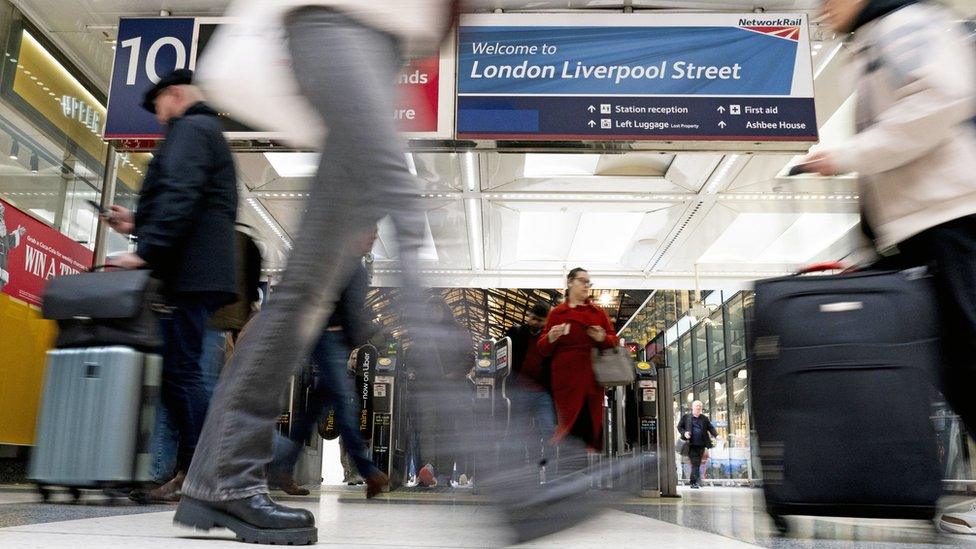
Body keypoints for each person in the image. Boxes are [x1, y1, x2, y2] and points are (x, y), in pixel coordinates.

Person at [795, 0, 976, 531]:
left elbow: (941, 97)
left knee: (969, 353)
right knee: (955, 364)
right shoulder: (876, 39)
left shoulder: (907, 24)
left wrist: (845, 155)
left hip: (955, 216)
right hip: (925, 228)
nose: (823, 6)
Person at [105, 68, 238, 503]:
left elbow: (180, 194)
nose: (160, 119)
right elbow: (190, 200)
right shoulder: (204, 130)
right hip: (196, 271)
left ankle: (199, 473)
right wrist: (136, 223)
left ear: (175, 95)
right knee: (180, 374)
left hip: (190, 273)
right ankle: (193, 470)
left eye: (160, 108)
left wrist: (148, 251)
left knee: (181, 375)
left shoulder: (191, 128)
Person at [266, 228, 388, 498]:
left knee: (312, 412)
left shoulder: (356, 266)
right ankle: (368, 471)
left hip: (339, 342)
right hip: (326, 337)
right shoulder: (338, 261)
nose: (373, 237)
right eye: (369, 230)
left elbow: (352, 311)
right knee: (345, 404)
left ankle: (282, 468)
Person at [537, 268, 619, 459]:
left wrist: (602, 337)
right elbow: (542, 348)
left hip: (591, 381)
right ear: (570, 282)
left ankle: (576, 481)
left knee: (585, 431)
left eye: (588, 282)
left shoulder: (598, 313)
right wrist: (551, 336)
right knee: (567, 430)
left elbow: (613, 341)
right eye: (582, 281)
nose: (586, 286)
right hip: (565, 383)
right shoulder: (557, 313)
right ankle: (569, 479)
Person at [412, 296, 474, 487]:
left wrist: (453, 375)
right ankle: (428, 468)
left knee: (448, 429)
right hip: (429, 387)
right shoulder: (422, 334)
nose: (434, 313)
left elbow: (470, 357)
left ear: (445, 310)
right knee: (427, 427)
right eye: (430, 310)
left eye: (437, 309)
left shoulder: (459, 331)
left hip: (452, 389)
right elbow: (412, 357)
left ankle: (445, 473)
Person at [505, 303, 556, 468]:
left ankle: (549, 467)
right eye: (532, 318)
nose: (534, 322)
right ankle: (520, 468)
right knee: (518, 431)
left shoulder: (550, 338)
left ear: (546, 321)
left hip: (542, 392)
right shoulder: (516, 333)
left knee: (548, 429)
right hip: (520, 390)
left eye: (539, 320)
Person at [677, 401, 717, 489]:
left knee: (697, 463)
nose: (698, 407)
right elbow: (679, 427)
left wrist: (717, 435)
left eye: (700, 406)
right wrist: (685, 433)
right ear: (692, 407)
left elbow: (710, 428)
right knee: (695, 463)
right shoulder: (686, 417)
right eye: (696, 406)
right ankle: (694, 482)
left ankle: (695, 481)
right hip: (690, 445)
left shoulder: (704, 418)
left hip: (702, 445)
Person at [0, 202, 26, 293]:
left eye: (2, 215)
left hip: (1, 270)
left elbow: (9, 242)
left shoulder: (4, 233)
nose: (2, 218)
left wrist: (18, 233)